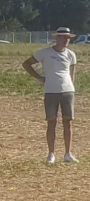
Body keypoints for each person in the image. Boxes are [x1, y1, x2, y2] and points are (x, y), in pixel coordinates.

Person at [22, 27, 79, 164]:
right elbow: (26, 64)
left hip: (67, 91)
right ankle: (51, 154)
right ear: (56, 38)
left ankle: (68, 153)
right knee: (52, 122)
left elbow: (72, 74)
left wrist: (71, 87)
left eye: (68, 37)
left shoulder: (71, 54)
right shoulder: (45, 52)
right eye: (63, 37)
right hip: (51, 91)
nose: (66, 40)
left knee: (68, 122)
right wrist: (39, 78)